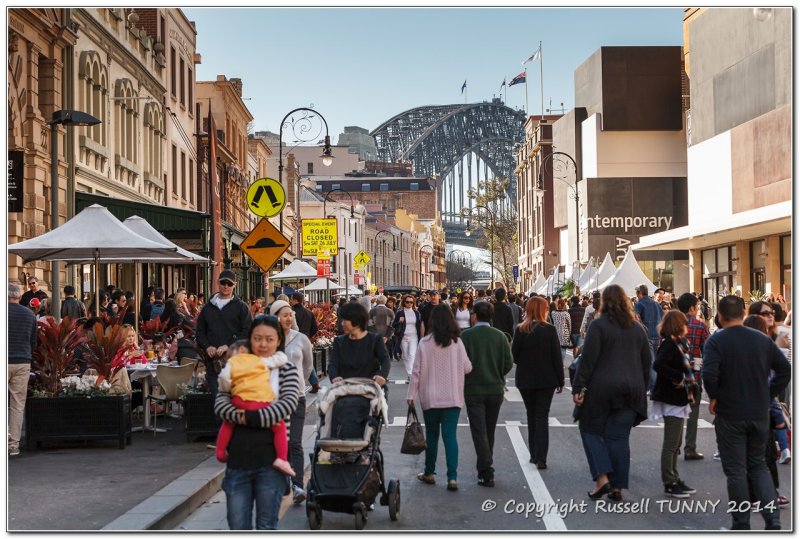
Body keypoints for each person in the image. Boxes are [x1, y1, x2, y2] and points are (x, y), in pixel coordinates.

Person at [702, 295, 790, 531]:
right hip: (759, 411)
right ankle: (773, 521)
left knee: (736, 471)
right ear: (743, 314)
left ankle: (741, 525)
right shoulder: (761, 339)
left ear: (719, 316)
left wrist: (715, 396)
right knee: (758, 465)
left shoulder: (716, 341)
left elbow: (709, 374)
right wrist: (768, 392)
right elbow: (784, 369)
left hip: (730, 412)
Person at [214, 316, 302, 530]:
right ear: (250, 339)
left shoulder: (286, 369)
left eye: (269, 339)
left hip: (271, 463)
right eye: (258, 338)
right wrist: (247, 416)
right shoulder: (239, 364)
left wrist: (248, 417)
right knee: (238, 526)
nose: (263, 344)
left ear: (278, 341)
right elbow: (221, 402)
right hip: (238, 461)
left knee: (266, 525)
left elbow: (288, 404)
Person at [573, 285, 651, 502]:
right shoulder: (638, 329)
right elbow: (647, 363)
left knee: (589, 429)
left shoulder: (599, 326)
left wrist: (579, 387)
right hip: (632, 390)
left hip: (602, 389)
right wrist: (642, 387)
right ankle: (617, 487)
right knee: (619, 437)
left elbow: (588, 360)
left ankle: (602, 478)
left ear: (604, 302)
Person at [407, 304, 472, 491]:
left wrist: (411, 395)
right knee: (450, 436)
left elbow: (416, 372)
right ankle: (452, 477)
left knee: (432, 436)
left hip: (430, 397)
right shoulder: (457, 343)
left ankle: (430, 472)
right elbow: (468, 367)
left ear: (432, 321)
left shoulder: (424, 343)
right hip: (453, 396)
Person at [215, 329, 295, 478]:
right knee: (279, 426)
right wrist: (281, 355)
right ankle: (282, 459)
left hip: (238, 401)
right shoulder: (259, 361)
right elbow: (277, 360)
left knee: (227, 424)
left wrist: (228, 386)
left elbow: (224, 381)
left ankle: (220, 451)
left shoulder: (232, 364)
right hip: (260, 402)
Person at [460, 301, 513, 487]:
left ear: (474, 315)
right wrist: (498, 374)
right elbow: (508, 362)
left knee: (478, 430)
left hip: (473, 388)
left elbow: (460, 363)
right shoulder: (500, 337)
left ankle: (486, 468)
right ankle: (485, 465)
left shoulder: (466, 336)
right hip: (495, 388)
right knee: (489, 430)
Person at [511, 296, 564, 469]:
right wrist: (561, 380)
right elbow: (556, 357)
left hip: (526, 378)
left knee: (531, 415)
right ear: (542, 310)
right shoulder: (549, 330)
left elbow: (514, 356)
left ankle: (534, 454)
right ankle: (541, 456)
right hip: (546, 379)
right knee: (542, 416)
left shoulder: (521, 329)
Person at [650, 310, 697, 499]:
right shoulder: (670, 343)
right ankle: (669, 481)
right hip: (671, 396)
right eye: (685, 323)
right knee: (671, 443)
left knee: (676, 442)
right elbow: (658, 365)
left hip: (678, 396)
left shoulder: (677, 342)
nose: (687, 326)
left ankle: (674, 478)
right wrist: (677, 377)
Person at [270, 300, 313, 503]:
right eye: (284, 314)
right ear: (275, 317)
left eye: (290, 314)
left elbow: (308, 366)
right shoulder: (269, 339)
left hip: (296, 397)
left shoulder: (301, 338)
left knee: (295, 443)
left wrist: (298, 383)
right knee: (279, 444)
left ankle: (298, 486)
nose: (289, 318)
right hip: (275, 400)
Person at [196, 270, 254, 405]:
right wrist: (207, 346)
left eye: (229, 283)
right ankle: (222, 426)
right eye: (223, 283)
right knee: (219, 399)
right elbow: (200, 332)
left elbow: (248, 332)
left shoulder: (242, 307)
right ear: (218, 283)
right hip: (213, 362)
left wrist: (229, 345)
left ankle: (233, 425)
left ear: (234, 285)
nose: (226, 286)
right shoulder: (207, 308)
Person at [676, 292, 709, 461]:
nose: (697, 309)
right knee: (693, 412)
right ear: (691, 308)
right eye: (696, 306)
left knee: (676, 412)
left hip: (675, 376)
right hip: (694, 376)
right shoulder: (700, 326)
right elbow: (708, 352)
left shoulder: (671, 325)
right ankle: (690, 448)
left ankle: (674, 447)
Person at [329, 303, 390, 390]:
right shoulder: (339, 341)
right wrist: (334, 377)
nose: (342, 324)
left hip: (370, 388)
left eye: (344, 320)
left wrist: (382, 376)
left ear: (356, 321)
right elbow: (333, 364)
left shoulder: (375, 339)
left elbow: (385, 359)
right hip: (346, 388)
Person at [8, 283, 39, 457]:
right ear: (19, 297)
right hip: (22, 361)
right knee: (17, 405)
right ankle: (13, 445)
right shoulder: (29, 314)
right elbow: (34, 342)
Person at [634, 284, 663, 390]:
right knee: (655, 361)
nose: (636, 295)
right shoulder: (656, 304)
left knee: (650, 361)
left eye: (637, 293)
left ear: (640, 293)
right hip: (657, 335)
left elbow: (636, 320)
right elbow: (662, 318)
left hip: (647, 336)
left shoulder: (639, 304)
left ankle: (653, 386)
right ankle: (653, 384)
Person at [392, 295, 423, 378]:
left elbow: (420, 324)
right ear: (404, 302)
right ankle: (409, 372)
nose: (409, 303)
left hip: (414, 336)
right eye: (407, 302)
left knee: (412, 355)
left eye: (411, 302)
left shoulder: (416, 313)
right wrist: (399, 321)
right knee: (405, 356)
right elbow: (393, 324)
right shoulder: (400, 313)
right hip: (403, 337)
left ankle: (411, 374)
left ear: (413, 303)